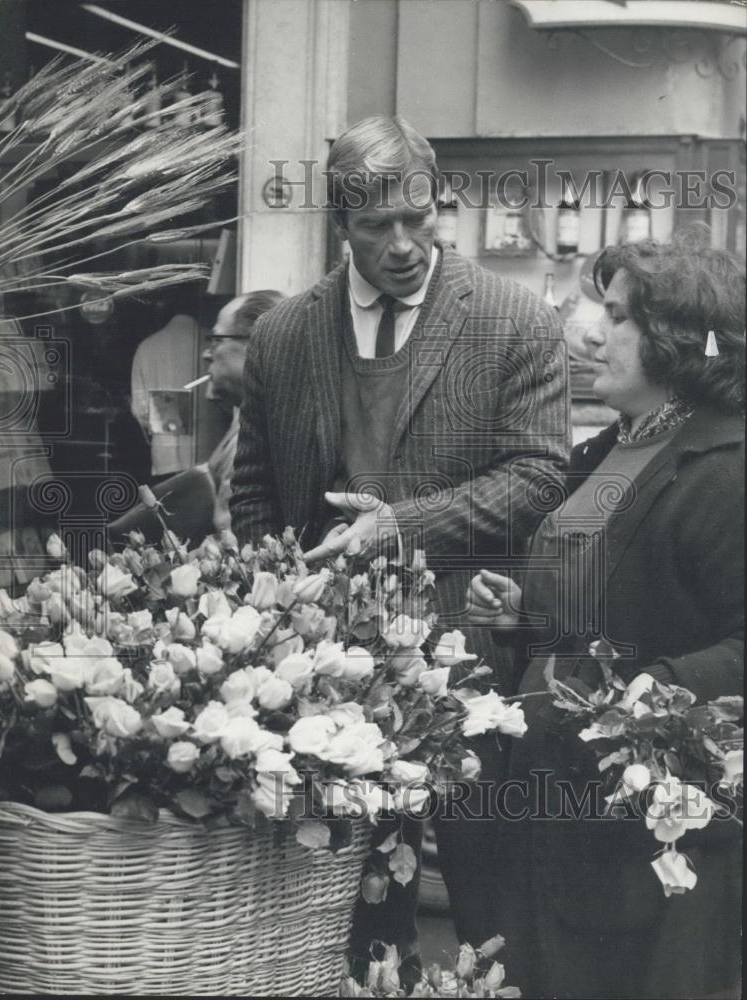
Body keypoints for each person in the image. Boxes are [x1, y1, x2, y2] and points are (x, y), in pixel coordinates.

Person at [229, 116, 570, 961]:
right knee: (337, 905)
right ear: (339, 226)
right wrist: (285, 603)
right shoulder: (285, 334)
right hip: (324, 676)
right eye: (377, 226)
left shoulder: (513, 319)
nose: (404, 243)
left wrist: (397, 527)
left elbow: (536, 479)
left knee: (486, 908)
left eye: (419, 218)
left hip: (465, 665)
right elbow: (254, 490)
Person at [467, 235, 744, 999]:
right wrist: (524, 619)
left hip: (644, 831)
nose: (589, 332)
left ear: (677, 337)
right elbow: (591, 609)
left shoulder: (724, 470)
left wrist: (650, 690)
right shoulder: (610, 453)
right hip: (553, 804)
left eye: (616, 316)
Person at [202, 290, 285, 532]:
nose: (207, 353)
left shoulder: (261, 433)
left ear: (255, 346)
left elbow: (231, 538)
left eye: (217, 340)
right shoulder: (248, 417)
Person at [130, 290, 201, 481]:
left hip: (164, 453)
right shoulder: (207, 344)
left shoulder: (147, 346)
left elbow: (140, 408)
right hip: (206, 450)